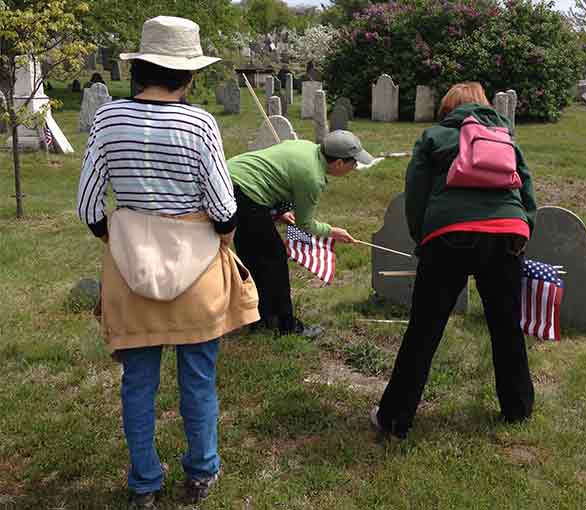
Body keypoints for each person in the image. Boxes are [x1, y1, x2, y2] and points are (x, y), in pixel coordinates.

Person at [77, 16, 259, 508]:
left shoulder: (108, 119)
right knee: (198, 378)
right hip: (197, 272)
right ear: (190, 75)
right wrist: (219, 236)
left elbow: (89, 206)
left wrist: (118, 238)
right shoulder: (200, 124)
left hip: (130, 274)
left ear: (139, 68)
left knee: (137, 382)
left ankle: (144, 484)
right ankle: (201, 472)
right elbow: (223, 207)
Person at [370, 82, 538, 439]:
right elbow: (526, 187)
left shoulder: (433, 137)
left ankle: (395, 419)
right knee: (506, 325)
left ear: (448, 108)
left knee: (424, 329)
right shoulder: (504, 134)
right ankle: (518, 410)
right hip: (508, 233)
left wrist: (423, 237)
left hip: (450, 236)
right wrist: (524, 230)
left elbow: (415, 194)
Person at [228, 131, 374, 336]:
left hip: (229, 176)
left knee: (254, 257)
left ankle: (260, 317)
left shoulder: (306, 147)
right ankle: (284, 325)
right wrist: (333, 232)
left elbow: (279, 173)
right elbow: (305, 224)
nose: (355, 167)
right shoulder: (312, 178)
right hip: (244, 193)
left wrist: (281, 211)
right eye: (354, 163)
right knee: (273, 259)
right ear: (339, 163)